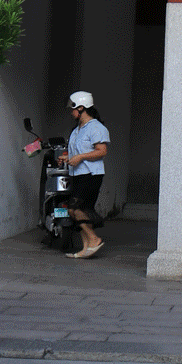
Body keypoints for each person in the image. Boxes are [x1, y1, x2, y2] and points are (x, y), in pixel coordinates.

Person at [59, 91, 109, 259]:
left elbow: (102, 151)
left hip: (91, 174)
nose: (71, 112)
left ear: (81, 108)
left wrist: (80, 157)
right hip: (77, 174)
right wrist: (68, 158)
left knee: (76, 208)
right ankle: (86, 247)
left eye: (72, 109)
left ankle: (94, 239)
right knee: (76, 211)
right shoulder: (77, 130)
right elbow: (78, 152)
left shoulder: (96, 127)